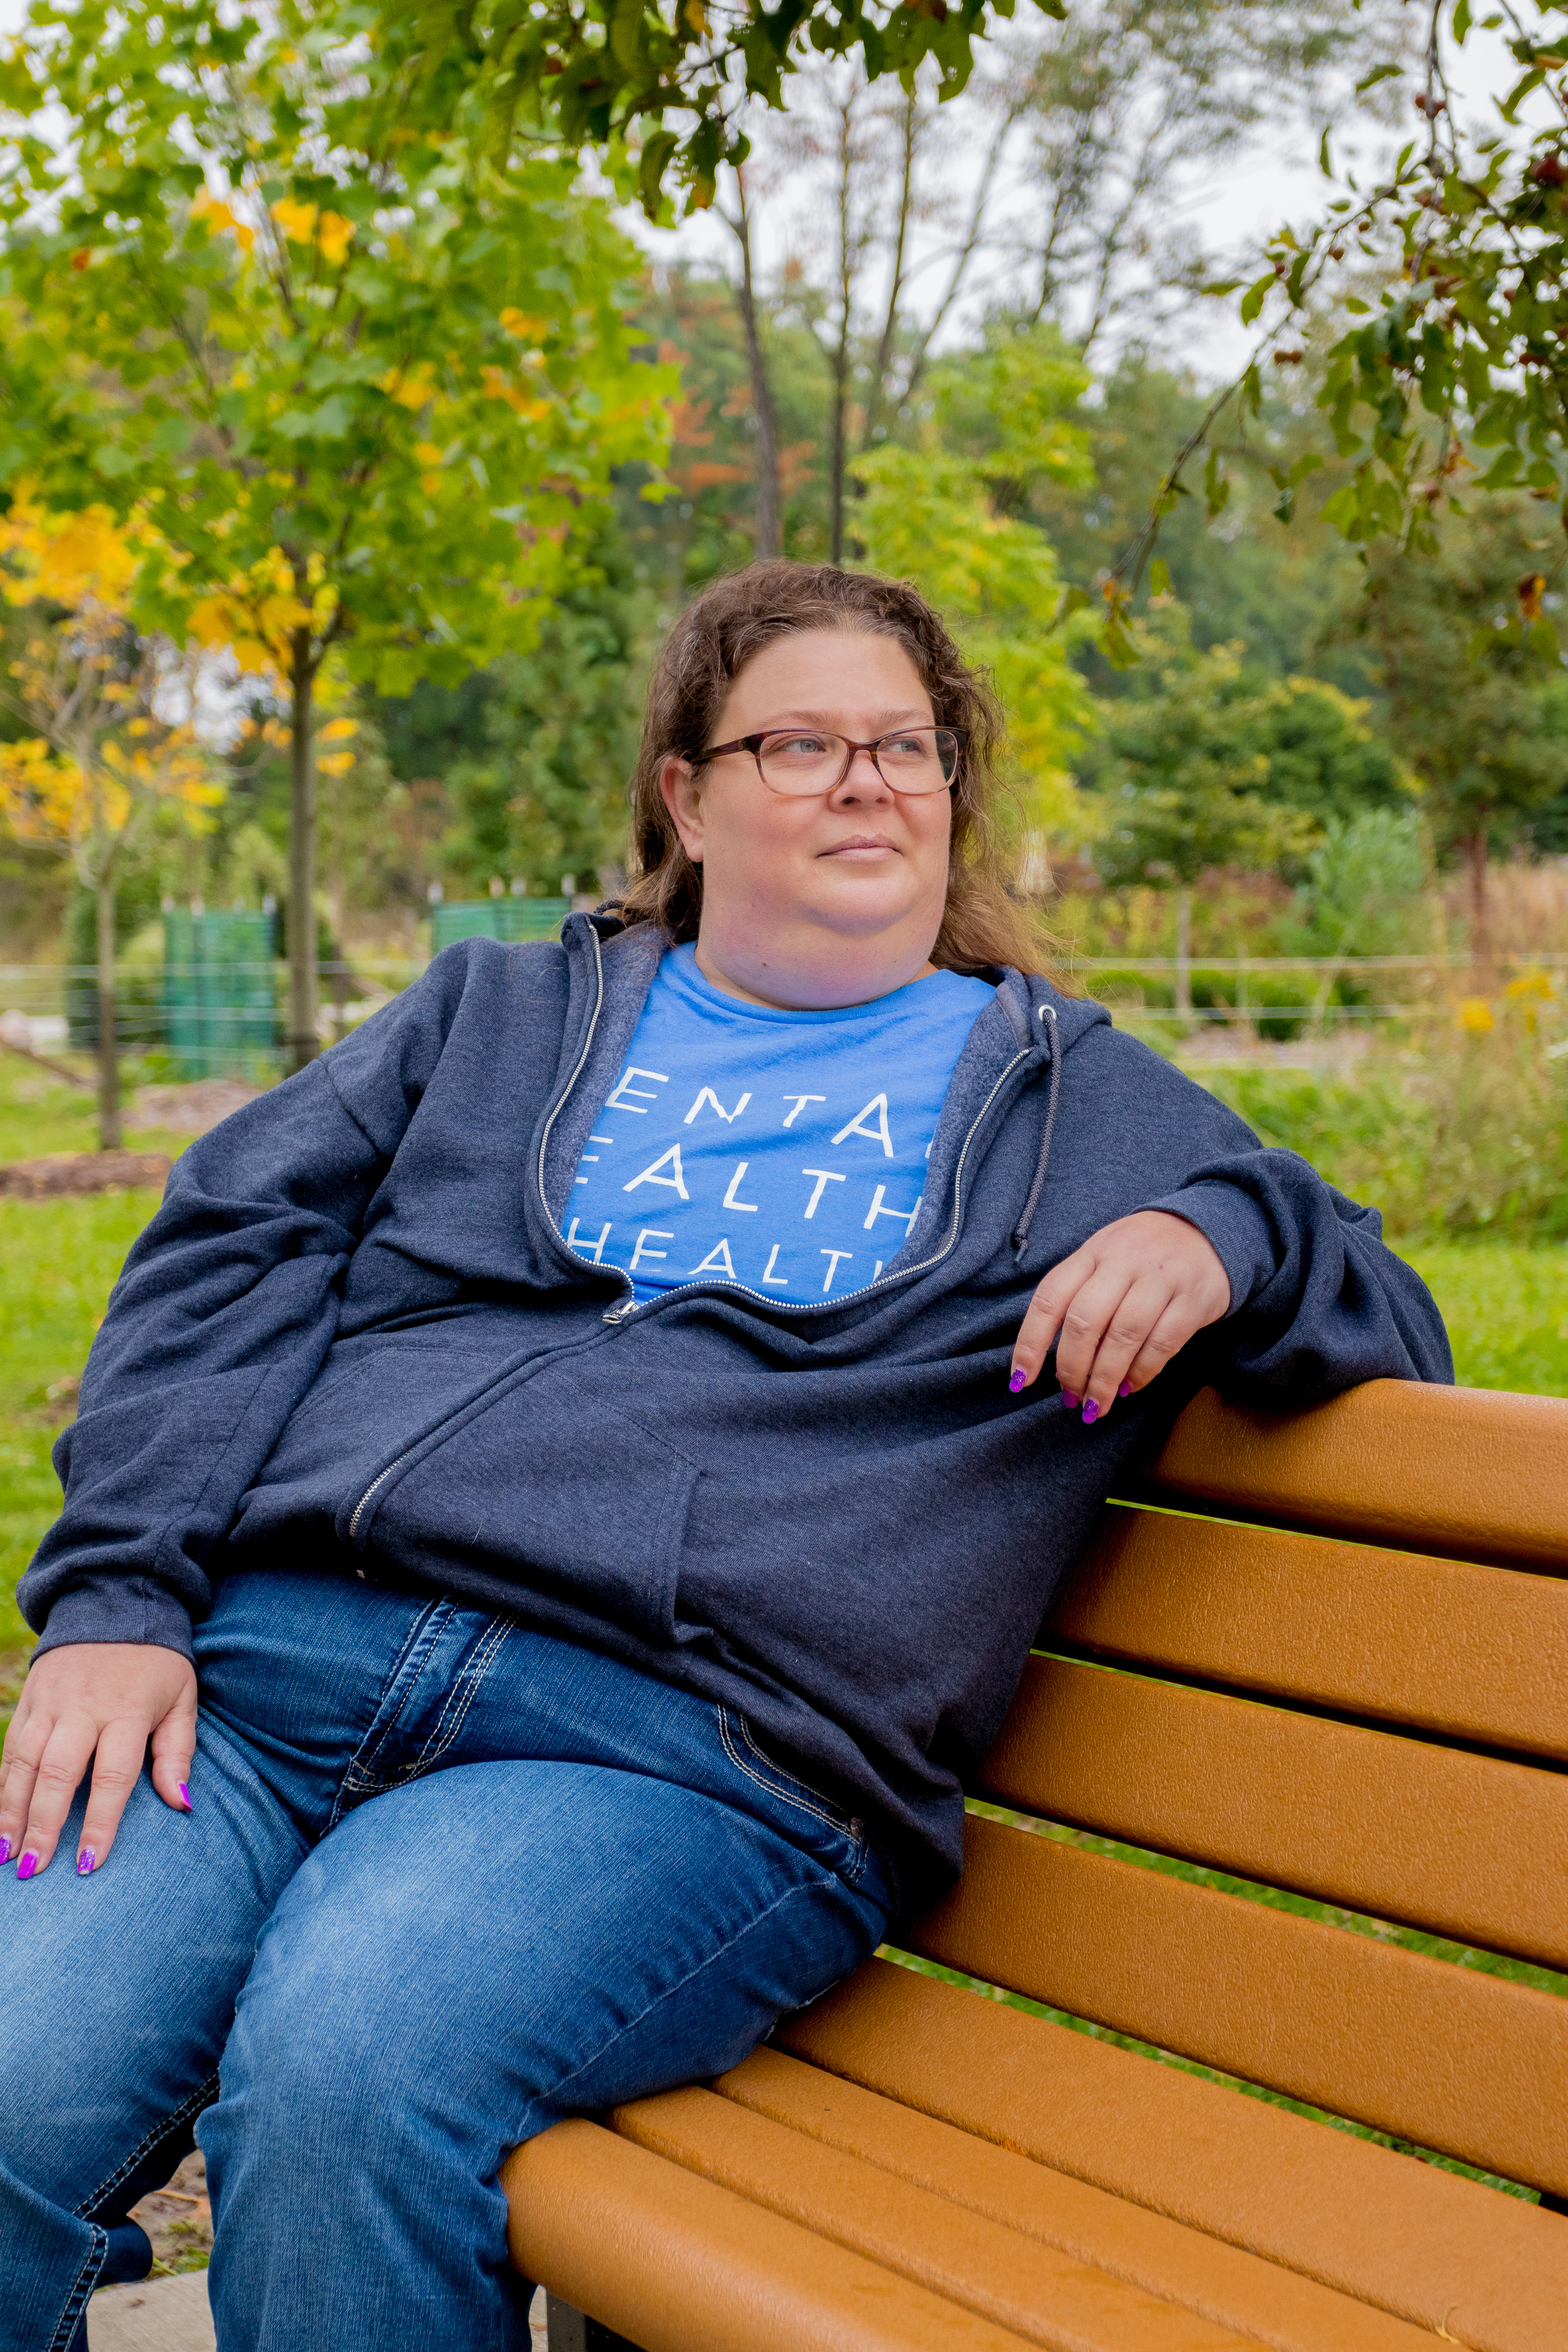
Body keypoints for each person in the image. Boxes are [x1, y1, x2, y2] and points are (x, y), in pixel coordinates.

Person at [0, 562, 1451, 2352]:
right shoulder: (498, 1019)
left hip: (675, 1753)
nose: (868, 781)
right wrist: (118, 1597)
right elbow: (231, 1245)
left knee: (347, 2090)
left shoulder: (1077, 1102)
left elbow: (1383, 1309)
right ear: (686, 798)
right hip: (258, 1678)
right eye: (802, 742)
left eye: (907, 746)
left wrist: (1234, 1229)